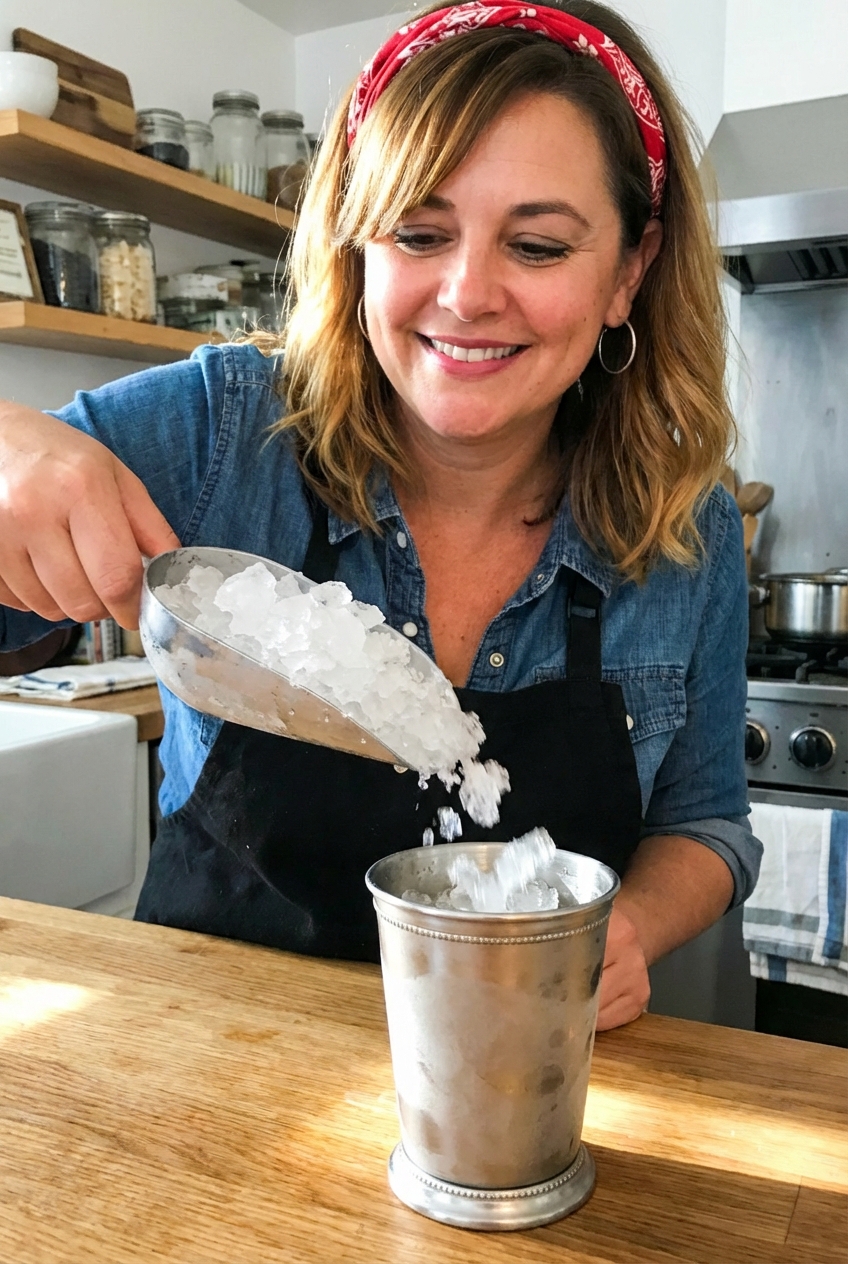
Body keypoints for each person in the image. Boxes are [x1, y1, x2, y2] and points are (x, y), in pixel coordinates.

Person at [0, 1, 760, 1030]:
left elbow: (706, 823)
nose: (467, 292)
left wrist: (629, 924)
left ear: (629, 270)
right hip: (197, 1063)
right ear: (358, 244)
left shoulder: (685, 527)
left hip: (514, 1075)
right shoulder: (220, 431)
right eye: (418, 232)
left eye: (537, 245)